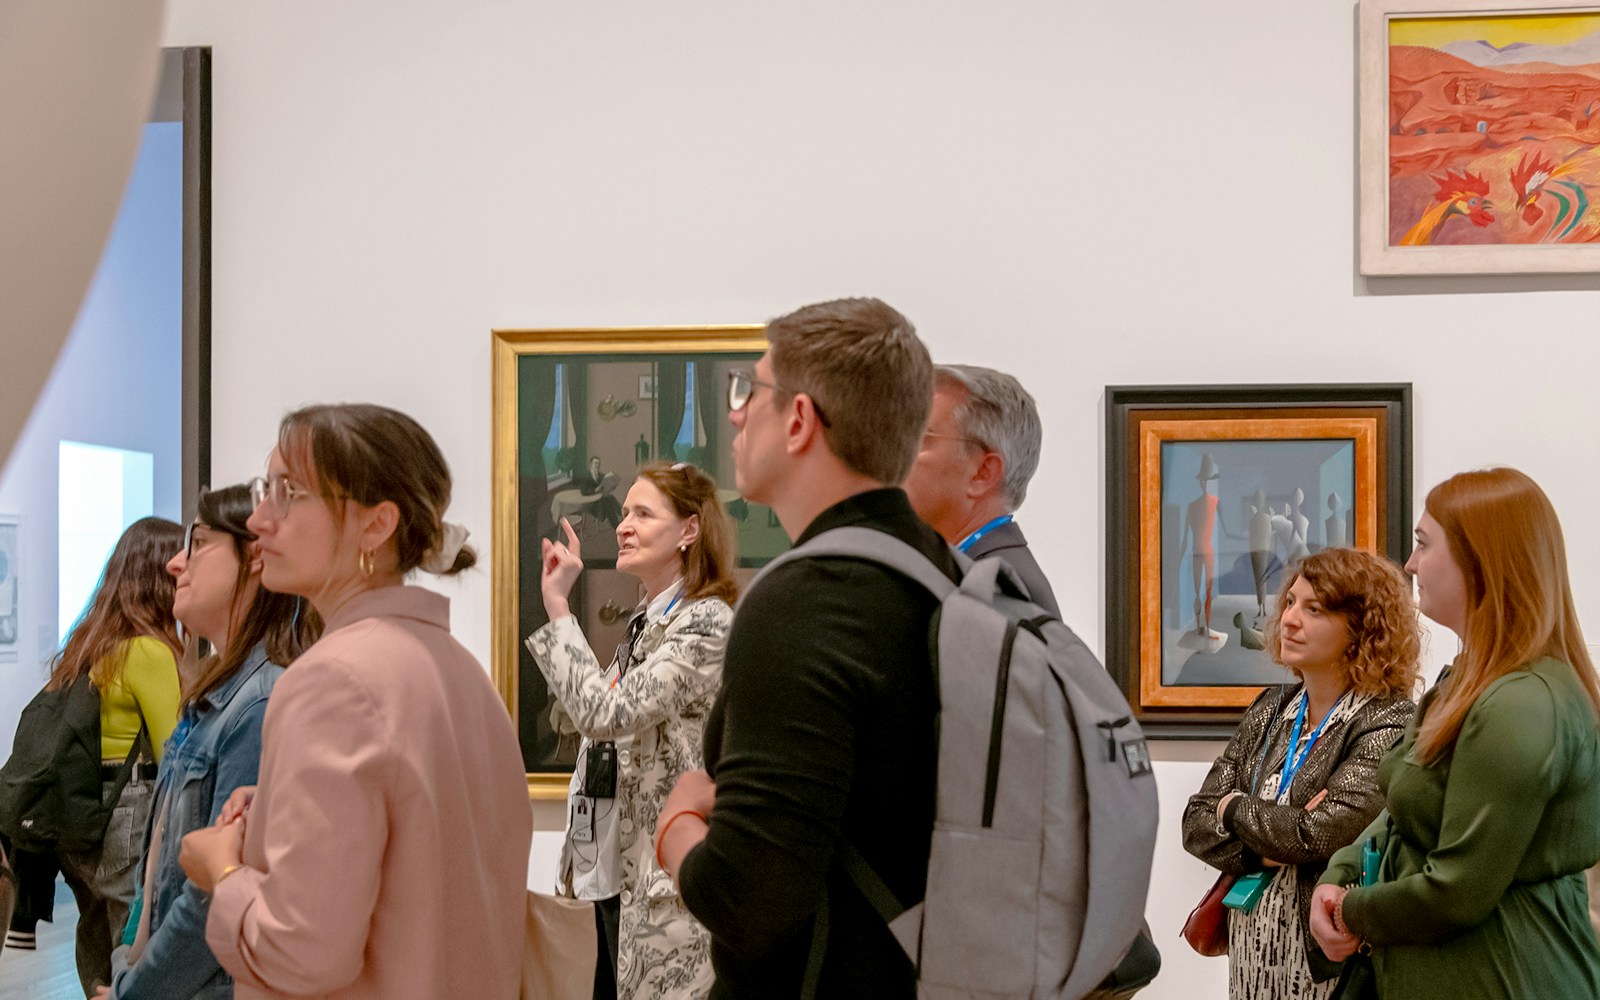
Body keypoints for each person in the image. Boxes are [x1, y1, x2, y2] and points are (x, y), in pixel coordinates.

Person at [177, 403, 532, 1000]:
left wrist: (221, 869)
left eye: (288, 493)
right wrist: (274, 811)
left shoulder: (332, 680)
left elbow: (301, 953)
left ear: (376, 525)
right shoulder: (462, 672)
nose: (260, 520)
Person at [655, 297, 955, 998]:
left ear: (798, 421)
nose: (735, 413)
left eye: (749, 391)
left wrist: (676, 824)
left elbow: (747, 903)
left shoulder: (810, 601)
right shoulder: (942, 571)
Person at [1310, 467, 1600, 999]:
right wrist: (1340, 871)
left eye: (1423, 545)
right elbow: (1404, 812)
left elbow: (1457, 890)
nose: (1411, 564)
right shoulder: (1464, 681)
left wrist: (1350, 908)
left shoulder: (1523, 702)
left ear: (1480, 560)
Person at [97, 485, 320, 1000]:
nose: (176, 564)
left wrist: (135, 990)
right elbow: (157, 881)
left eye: (197, 542)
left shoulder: (261, 701)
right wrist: (127, 970)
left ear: (256, 556)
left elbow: (213, 898)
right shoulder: (219, 695)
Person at [527, 460, 736, 1000]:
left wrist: (556, 607)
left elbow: (604, 715)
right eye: (623, 513)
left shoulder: (706, 621)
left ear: (689, 529)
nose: (623, 525)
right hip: (612, 876)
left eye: (643, 513)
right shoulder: (646, 622)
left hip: (665, 886)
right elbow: (582, 717)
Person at [1183, 547, 1420, 999]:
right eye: (1290, 602)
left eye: (1314, 609)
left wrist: (1233, 807)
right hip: (1251, 967)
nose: (1289, 619)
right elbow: (1195, 822)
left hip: (1328, 969)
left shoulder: (1387, 720)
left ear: (1362, 628)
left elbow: (1322, 835)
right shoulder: (1271, 707)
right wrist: (1268, 848)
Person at [47, 517, 185, 994]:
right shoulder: (149, 651)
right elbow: (175, 751)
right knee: (130, 927)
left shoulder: (88, 644)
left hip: (82, 808)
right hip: (127, 808)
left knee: (94, 921)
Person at [900, 363, 1057, 614]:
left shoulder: (997, 591)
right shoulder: (974, 571)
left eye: (922, 437)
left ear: (982, 473)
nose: (899, 454)